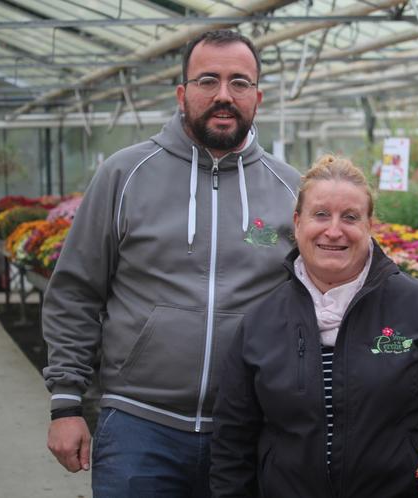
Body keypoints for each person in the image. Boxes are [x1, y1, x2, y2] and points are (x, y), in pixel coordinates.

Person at [42, 29, 301, 497]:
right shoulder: (124, 174)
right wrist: (66, 403)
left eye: (239, 83)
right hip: (139, 425)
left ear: (258, 97)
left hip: (249, 428)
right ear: (182, 94)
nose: (224, 95)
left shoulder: (291, 189)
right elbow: (75, 291)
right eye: (208, 81)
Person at [209, 155, 418, 498]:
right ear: (297, 223)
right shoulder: (261, 321)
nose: (334, 230)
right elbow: (232, 440)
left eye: (350, 217)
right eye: (321, 214)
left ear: (370, 225)